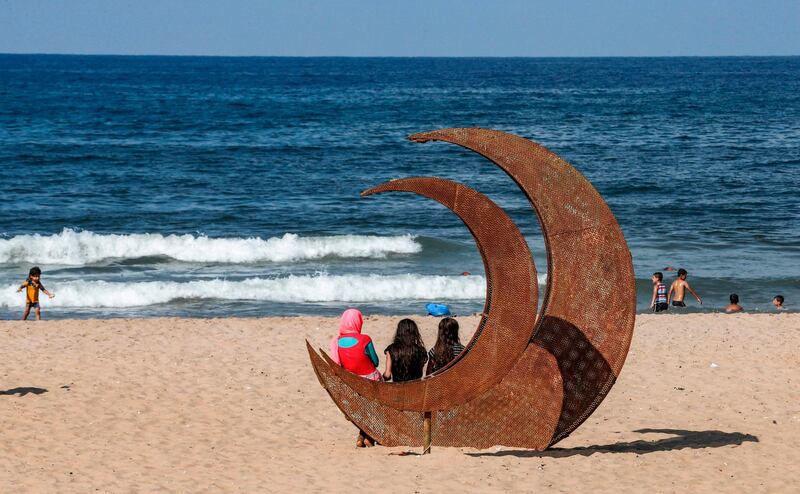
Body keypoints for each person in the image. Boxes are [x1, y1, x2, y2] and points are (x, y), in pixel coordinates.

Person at [329, 308, 381, 447]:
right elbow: (376, 362)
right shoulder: (365, 339)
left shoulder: (336, 342)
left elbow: (336, 365)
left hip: (351, 382)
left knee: (362, 407)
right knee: (371, 406)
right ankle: (367, 437)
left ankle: (362, 436)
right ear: (358, 322)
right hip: (370, 381)